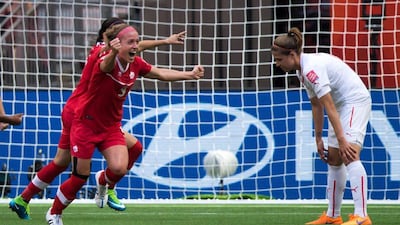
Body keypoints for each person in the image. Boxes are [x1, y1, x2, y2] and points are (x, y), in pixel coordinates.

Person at [9, 17, 187, 220]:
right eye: (117, 31)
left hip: (94, 116)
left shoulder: (127, 54)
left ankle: (25, 198)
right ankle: (88, 193)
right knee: (73, 169)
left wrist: (165, 42)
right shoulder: (101, 52)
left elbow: (139, 47)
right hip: (81, 113)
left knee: (68, 161)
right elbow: (115, 57)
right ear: (107, 36)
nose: (133, 44)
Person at [45, 23, 203, 225]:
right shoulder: (103, 60)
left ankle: (103, 180)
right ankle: (55, 212)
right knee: (79, 176)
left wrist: (189, 74)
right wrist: (113, 51)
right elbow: (107, 65)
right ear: (116, 44)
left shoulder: (135, 63)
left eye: (137, 41)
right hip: (85, 124)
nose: (137, 46)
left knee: (119, 168)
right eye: (132, 42)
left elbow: (161, 73)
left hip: (109, 127)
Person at [271, 27, 372, 225]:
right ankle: (333, 217)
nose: (277, 64)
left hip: (354, 101)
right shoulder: (302, 72)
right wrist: (318, 137)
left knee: (349, 154)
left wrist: (343, 140)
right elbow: (316, 104)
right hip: (340, 105)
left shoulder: (311, 69)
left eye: (279, 59)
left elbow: (328, 105)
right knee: (334, 159)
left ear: (292, 54)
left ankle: (362, 216)